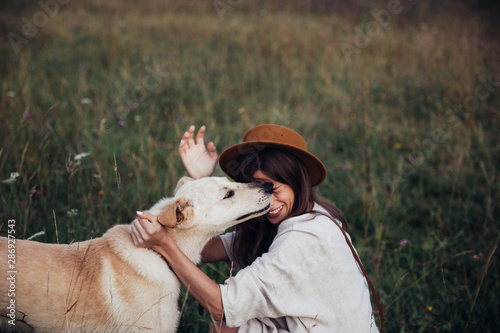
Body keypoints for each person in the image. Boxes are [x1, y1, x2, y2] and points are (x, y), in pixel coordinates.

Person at [131, 124, 380, 332]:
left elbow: (221, 306)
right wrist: (202, 186)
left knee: (227, 323)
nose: (268, 202)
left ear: (296, 182)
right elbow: (207, 249)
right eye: (259, 190)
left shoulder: (304, 239)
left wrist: (163, 243)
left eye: (274, 189)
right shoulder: (297, 216)